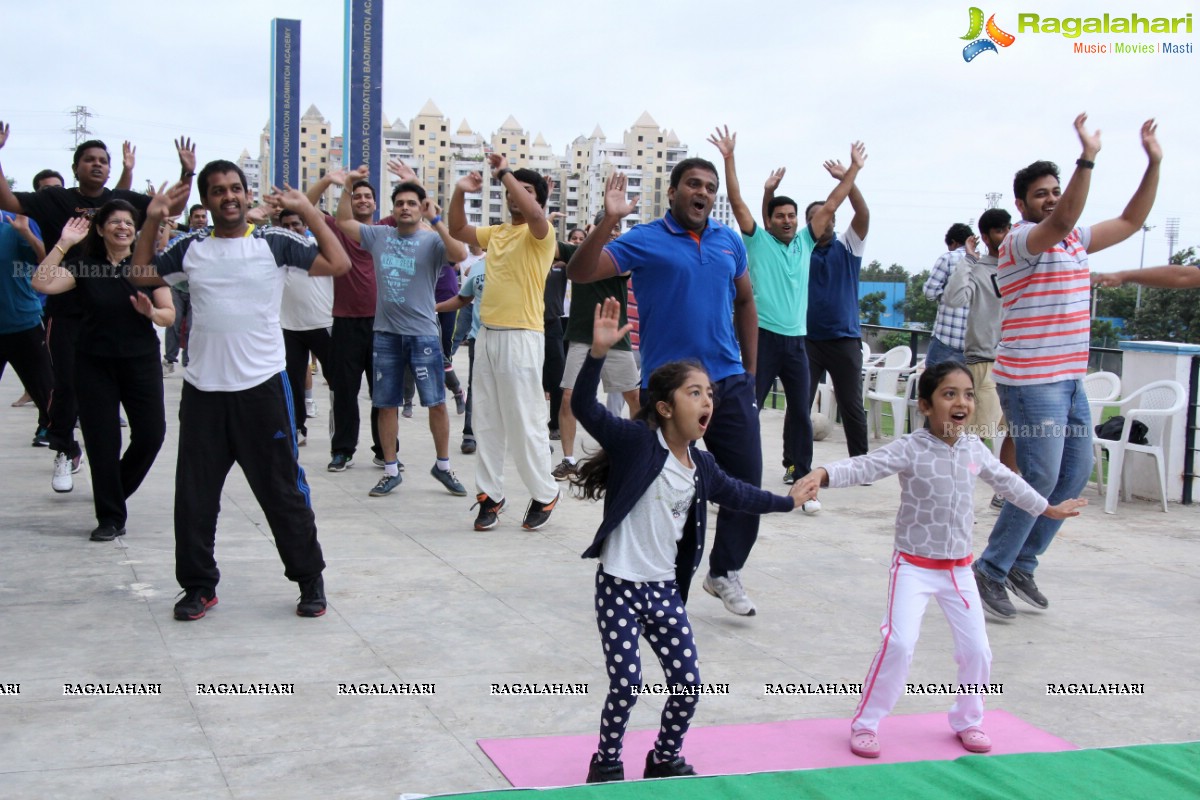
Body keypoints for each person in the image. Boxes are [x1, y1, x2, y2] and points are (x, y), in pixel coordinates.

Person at [795, 361, 1086, 760]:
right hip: (913, 568)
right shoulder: (911, 448)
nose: (961, 402)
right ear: (926, 406)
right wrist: (823, 473)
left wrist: (1048, 509)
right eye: (949, 394)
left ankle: (968, 719)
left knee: (978, 652)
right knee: (898, 643)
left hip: (959, 571)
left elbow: (1009, 481)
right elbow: (865, 465)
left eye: (967, 394)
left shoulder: (973, 450)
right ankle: (866, 724)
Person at [573, 299, 811, 783]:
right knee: (627, 681)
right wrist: (596, 355)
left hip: (663, 592)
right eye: (693, 393)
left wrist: (787, 501)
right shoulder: (638, 443)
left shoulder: (701, 467)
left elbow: (741, 494)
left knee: (686, 682)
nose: (707, 402)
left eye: (709, 394)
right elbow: (583, 407)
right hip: (619, 586)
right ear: (664, 407)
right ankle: (607, 760)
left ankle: (663, 756)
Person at [129, 161, 350, 621]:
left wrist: (308, 210)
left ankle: (309, 579)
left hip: (262, 390)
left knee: (282, 492)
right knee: (194, 497)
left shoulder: (272, 242)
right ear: (206, 201)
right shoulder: (191, 247)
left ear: (247, 196)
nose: (227, 197)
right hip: (204, 392)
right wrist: (151, 218)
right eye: (216, 191)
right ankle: (197, 587)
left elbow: (338, 262)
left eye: (235, 189)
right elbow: (140, 274)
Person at [974, 115, 1161, 620]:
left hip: (1070, 379)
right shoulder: (1020, 241)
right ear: (1022, 204)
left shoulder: (1075, 239)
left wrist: (1154, 163)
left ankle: (1021, 562)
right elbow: (1057, 223)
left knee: (1075, 475)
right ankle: (989, 568)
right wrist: (1087, 159)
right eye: (1041, 193)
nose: (1051, 199)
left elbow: (1128, 220)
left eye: (1056, 190)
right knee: (1038, 476)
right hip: (1031, 381)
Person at [568, 165, 764, 618]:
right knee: (665, 488)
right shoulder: (646, 238)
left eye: (710, 187)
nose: (704, 192)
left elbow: (746, 300)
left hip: (728, 380)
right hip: (669, 384)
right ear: (673, 191)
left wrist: (750, 371)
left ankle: (724, 570)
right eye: (694, 184)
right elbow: (581, 272)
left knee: (745, 480)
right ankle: (658, 585)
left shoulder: (728, 241)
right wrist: (607, 221)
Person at [0, 125, 193, 472]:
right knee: (66, 383)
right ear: (76, 167)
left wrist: (187, 173)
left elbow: (168, 208)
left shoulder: (121, 202)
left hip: (116, 314)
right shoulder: (54, 199)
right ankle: (65, 448)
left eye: (103, 160)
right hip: (69, 306)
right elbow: (7, 201)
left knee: (124, 410)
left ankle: (109, 480)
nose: (97, 165)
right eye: (89, 159)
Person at [709, 126, 865, 498]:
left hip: (798, 343)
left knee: (800, 414)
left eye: (792, 216)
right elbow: (737, 201)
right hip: (762, 339)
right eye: (780, 215)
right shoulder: (757, 241)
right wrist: (729, 158)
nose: (787, 220)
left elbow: (831, 204)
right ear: (771, 220)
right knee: (748, 408)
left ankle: (803, 481)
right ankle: (733, 478)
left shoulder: (806, 243)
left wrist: (854, 170)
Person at [33, 201, 174, 540]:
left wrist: (150, 313)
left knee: (151, 434)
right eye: (114, 222)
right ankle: (110, 517)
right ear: (100, 229)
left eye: (128, 222)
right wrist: (64, 242)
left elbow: (169, 314)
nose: (122, 227)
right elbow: (42, 283)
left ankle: (111, 495)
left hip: (139, 361)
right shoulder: (85, 266)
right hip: (93, 363)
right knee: (102, 442)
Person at [335, 168, 468, 498]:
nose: (405, 208)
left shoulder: (432, 240)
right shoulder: (380, 236)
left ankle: (443, 466)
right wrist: (347, 187)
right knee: (386, 404)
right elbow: (344, 223)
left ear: (421, 207)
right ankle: (391, 471)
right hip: (386, 334)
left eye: (411, 203)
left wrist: (437, 220)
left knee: (436, 403)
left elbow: (460, 255)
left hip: (423, 334)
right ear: (392, 209)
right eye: (399, 204)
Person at [448, 154, 560, 531]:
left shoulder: (540, 234)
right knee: (487, 423)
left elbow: (534, 213)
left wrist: (506, 174)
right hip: (488, 336)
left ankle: (545, 493)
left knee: (525, 421)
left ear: (538, 200)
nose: (516, 196)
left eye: (527, 192)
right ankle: (490, 496)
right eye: (512, 191)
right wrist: (460, 192)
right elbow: (458, 227)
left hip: (523, 337)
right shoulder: (496, 233)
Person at [304, 168, 391, 473]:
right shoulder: (336, 229)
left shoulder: (386, 228)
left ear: (376, 204)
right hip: (344, 323)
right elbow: (305, 206)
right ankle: (342, 450)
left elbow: (419, 212)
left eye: (368, 196)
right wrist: (332, 181)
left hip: (382, 325)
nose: (363, 200)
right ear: (349, 202)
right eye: (357, 196)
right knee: (344, 392)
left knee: (383, 393)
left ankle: (385, 451)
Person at [552, 213, 641, 482]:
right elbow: (547, 242)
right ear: (592, 227)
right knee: (568, 397)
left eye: (616, 228)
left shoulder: (622, 255)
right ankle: (568, 461)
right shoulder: (577, 253)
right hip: (581, 337)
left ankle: (640, 452)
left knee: (634, 399)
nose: (612, 232)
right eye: (606, 227)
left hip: (616, 339)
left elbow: (625, 266)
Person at [942, 209, 1018, 508]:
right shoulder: (977, 268)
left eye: (1009, 229)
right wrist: (969, 259)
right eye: (1000, 231)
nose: (1007, 235)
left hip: (1018, 362)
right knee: (976, 435)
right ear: (985, 237)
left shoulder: (1023, 265)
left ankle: (1006, 492)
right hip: (984, 362)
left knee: (1016, 431)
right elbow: (954, 299)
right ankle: (961, 494)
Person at [800, 154, 871, 460]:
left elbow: (863, 212)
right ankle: (795, 465)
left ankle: (861, 464)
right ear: (809, 225)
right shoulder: (799, 250)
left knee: (851, 404)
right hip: (808, 341)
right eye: (817, 218)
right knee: (799, 404)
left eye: (829, 216)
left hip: (844, 339)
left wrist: (848, 180)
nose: (824, 221)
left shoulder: (848, 246)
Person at [277, 208, 332, 447]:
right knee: (293, 383)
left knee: (337, 383)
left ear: (305, 225)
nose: (291, 230)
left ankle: (340, 438)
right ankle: (298, 428)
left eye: (296, 224)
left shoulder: (316, 246)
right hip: (289, 327)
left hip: (324, 324)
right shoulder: (274, 251)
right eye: (286, 225)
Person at [0, 209, 52, 447]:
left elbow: (43, 262)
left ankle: (52, 431)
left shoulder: (12, 228)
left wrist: (26, 234)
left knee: (44, 388)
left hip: (22, 322)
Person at [438, 246, 485, 455]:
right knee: (475, 386)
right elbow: (463, 298)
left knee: (514, 388)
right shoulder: (478, 268)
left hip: (510, 337)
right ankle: (469, 434)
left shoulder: (518, 265)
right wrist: (434, 307)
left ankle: (529, 437)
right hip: (479, 338)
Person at [162, 204, 207, 374]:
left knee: (191, 327)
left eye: (203, 216)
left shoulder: (211, 238)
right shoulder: (182, 239)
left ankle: (188, 360)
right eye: (197, 216)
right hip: (178, 288)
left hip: (197, 291)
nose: (200, 220)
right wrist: (167, 224)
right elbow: (164, 249)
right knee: (173, 322)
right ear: (191, 220)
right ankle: (169, 360)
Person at [923, 224, 973, 367]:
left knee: (935, 386)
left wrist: (946, 296)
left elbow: (930, 292)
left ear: (954, 243)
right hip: (973, 345)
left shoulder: (948, 258)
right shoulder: (983, 261)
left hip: (946, 338)